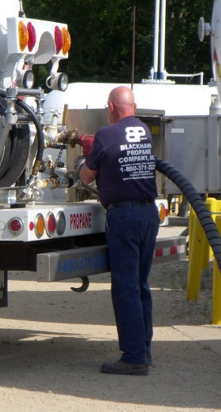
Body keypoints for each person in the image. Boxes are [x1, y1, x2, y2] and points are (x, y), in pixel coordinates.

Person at [80, 86, 159, 376]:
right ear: (133, 107)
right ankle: (144, 350)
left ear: (111, 106)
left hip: (124, 216)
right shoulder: (145, 131)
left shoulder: (105, 134)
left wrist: (83, 164)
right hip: (149, 213)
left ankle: (134, 357)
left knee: (125, 287)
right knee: (140, 286)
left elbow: (87, 176)